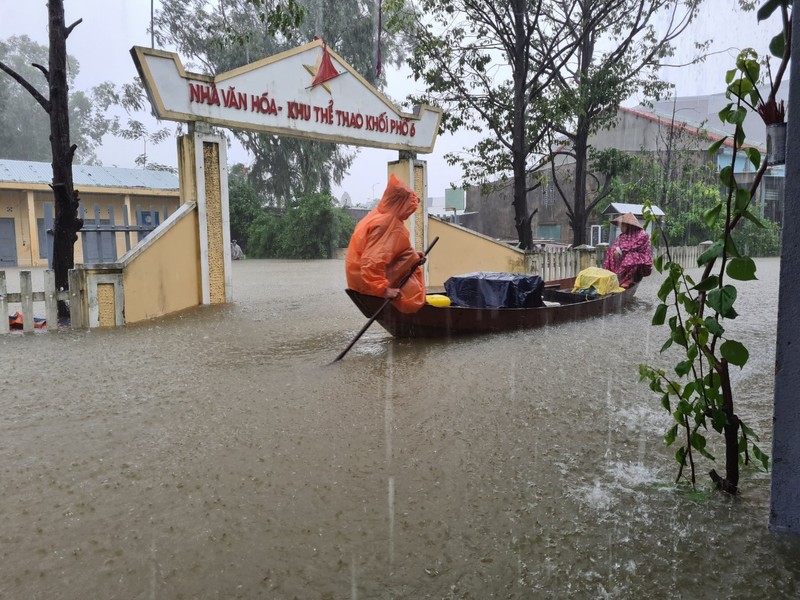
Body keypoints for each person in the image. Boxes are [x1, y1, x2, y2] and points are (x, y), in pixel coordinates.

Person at [345, 174, 427, 313]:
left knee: (411, 256)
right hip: (366, 282)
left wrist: (414, 257)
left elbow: (390, 253)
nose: (410, 212)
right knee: (414, 292)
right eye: (410, 207)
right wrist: (383, 290)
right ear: (401, 204)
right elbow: (372, 260)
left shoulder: (377, 214)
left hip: (357, 278)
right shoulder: (387, 223)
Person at [603, 212, 653, 288]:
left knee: (631, 256)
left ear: (629, 226)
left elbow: (632, 246)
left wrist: (620, 250)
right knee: (611, 251)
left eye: (622, 225)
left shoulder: (642, 234)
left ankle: (629, 279)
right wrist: (616, 250)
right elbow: (616, 245)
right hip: (624, 259)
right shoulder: (621, 236)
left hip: (642, 260)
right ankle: (613, 276)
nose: (620, 228)